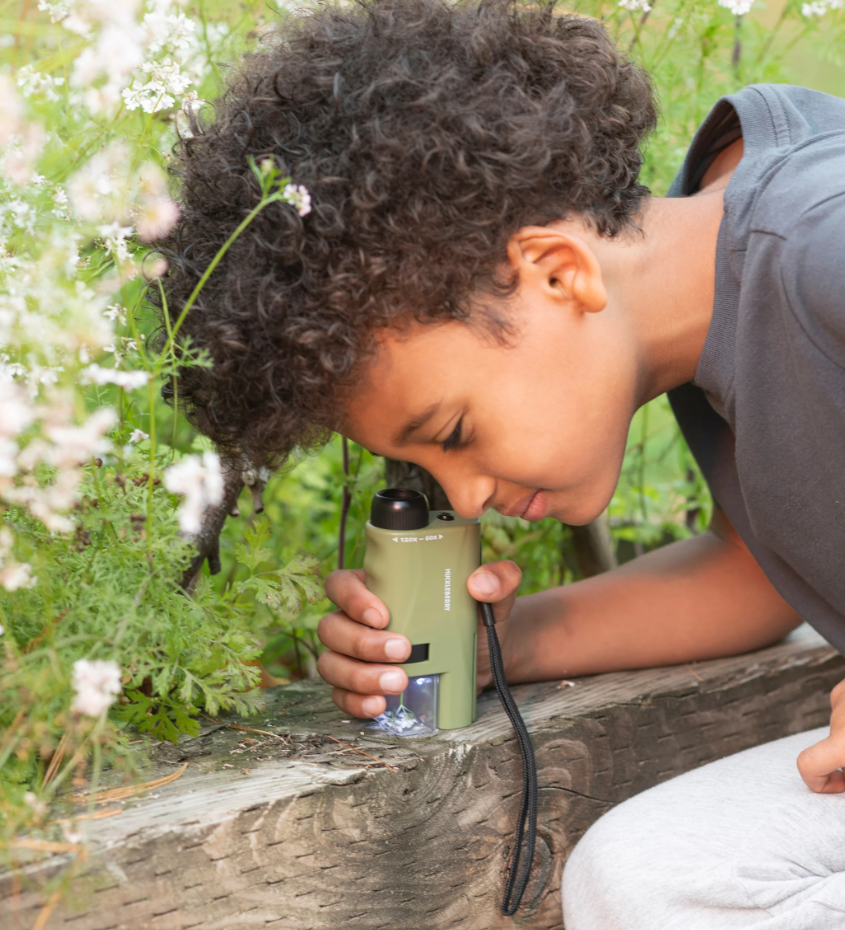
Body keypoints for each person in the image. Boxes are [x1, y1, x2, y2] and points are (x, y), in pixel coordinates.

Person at [154, 0, 845, 925]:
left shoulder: (814, 245)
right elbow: (764, 566)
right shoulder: (710, 290)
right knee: (646, 877)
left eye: (449, 432)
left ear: (559, 273)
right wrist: (499, 644)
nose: (465, 492)